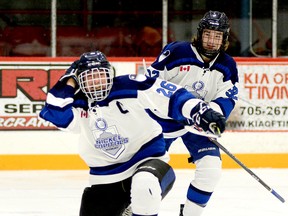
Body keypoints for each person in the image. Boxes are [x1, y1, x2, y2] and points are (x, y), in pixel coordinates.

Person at [39, 50, 226, 216]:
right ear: (80, 80)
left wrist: (199, 111)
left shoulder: (130, 85)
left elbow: (171, 95)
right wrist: (68, 79)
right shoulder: (79, 105)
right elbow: (55, 113)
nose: (97, 82)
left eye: (101, 75)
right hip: (105, 179)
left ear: (110, 74)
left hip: (149, 164)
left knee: (144, 185)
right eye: (89, 77)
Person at [146, 11, 239, 216]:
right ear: (199, 34)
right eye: (208, 34)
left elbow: (228, 97)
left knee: (211, 169)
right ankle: (136, 206)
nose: (211, 41)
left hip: (197, 123)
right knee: (150, 171)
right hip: (164, 120)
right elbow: (150, 83)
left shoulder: (228, 65)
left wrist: (211, 114)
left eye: (217, 36)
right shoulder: (177, 51)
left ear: (224, 39)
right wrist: (181, 105)